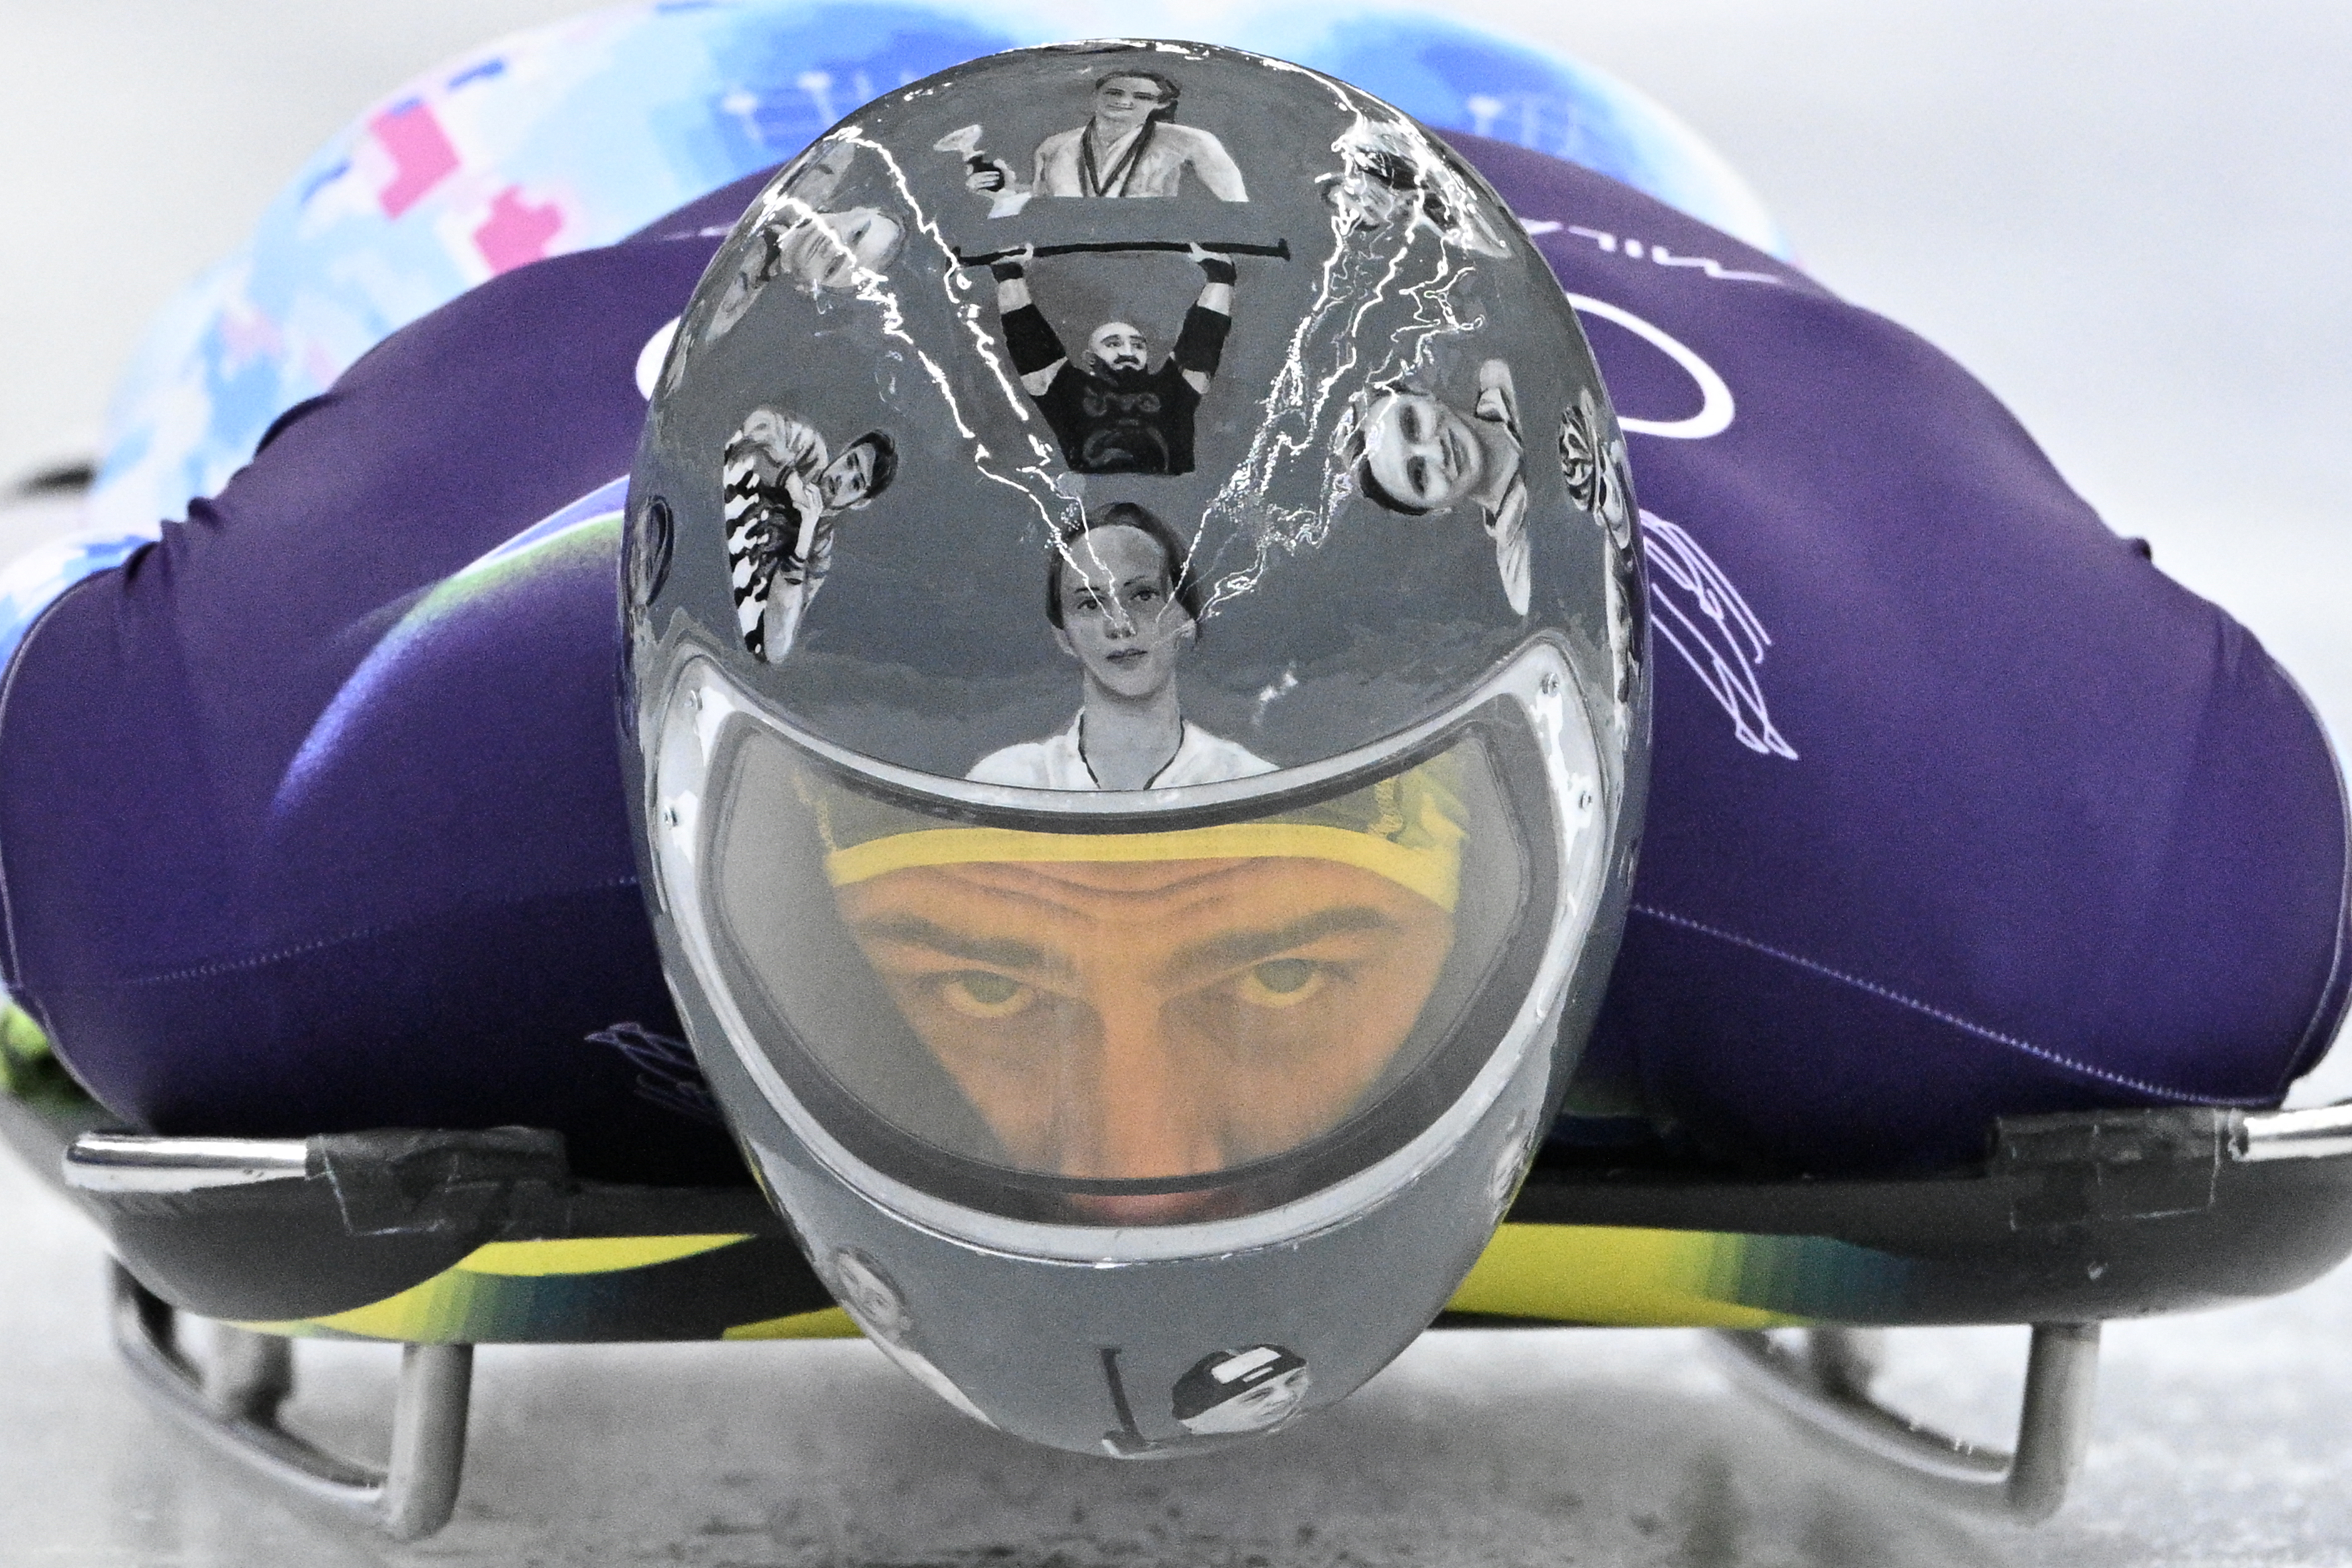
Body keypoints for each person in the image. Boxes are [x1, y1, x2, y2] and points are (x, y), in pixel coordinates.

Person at [966, 504, 1273, 789]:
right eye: (1089, 603)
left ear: (1187, 617)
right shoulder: (1008, 784)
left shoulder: (1250, 783)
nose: (1120, 625)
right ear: (1063, 635)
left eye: (1143, 596)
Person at [989, 244, 1235, 476]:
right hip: (1091, 497)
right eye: (1113, 344)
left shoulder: (1173, 390)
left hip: (1171, 496)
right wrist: (1010, 275)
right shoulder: (1067, 390)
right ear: (1090, 358)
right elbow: (1028, 339)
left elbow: (1203, 339)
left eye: (1138, 345)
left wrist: (1221, 275)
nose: (1129, 351)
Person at [1348, 360, 1531, 614]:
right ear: (1436, 511)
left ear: (1425, 395)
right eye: (1420, 476)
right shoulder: (1522, 574)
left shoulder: (1508, 373)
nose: (1437, 452)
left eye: (1412, 424)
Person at [722, 410, 897, 661]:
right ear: (846, 451)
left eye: (856, 484)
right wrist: (790, 481)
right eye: (850, 463)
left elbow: (777, 647)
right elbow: (757, 423)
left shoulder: (820, 553)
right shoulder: (810, 452)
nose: (841, 479)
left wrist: (804, 538)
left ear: (861, 503)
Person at [970, 69, 1248, 202]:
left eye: (1141, 97)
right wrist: (1003, 192)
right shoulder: (1054, 147)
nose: (1125, 102)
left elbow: (1237, 209)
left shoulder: (1194, 144)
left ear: (1160, 104)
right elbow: (1047, 207)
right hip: (1073, 264)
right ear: (1095, 96)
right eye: (1115, 93)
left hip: (1158, 265)